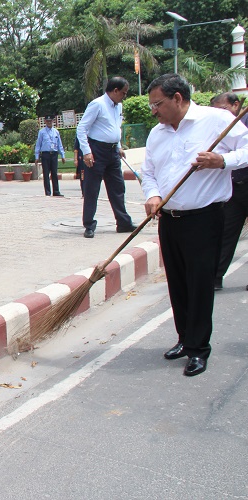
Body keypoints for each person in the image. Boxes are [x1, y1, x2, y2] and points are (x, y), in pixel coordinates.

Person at [140, 74, 248, 377]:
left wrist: (222, 160)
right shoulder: (156, 134)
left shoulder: (216, 120)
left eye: (158, 104)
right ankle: (184, 339)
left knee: (200, 283)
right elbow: (148, 172)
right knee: (177, 282)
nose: (154, 111)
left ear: (178, 98)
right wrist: (154, 195)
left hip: (204, 217)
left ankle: (199, 349)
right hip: (169, 219)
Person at [76, 77, 136, 238]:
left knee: (117, 188)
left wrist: (118, 146)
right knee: (92, 189)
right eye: (123, 93)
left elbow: (115, 127)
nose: (124, 96)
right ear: (115, 90)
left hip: (112, 152)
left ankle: (123, 222)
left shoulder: (118, 106)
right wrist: (87, 152)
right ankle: (89, 225)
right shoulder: (98, 104)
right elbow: (82, 128)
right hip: (97, 151)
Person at [210, 92, 248, 291]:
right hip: (235, 186)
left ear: (235, 105)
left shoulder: (242, 125)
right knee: (226, 233)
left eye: (223, 109)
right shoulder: (221, 126)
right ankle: (215, 277)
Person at [34, 115, 66, 196]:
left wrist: (62, 155)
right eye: (47, 121)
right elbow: (38, 144)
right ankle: (48, 192)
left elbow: (59, 144)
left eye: (50, 121)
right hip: (45, 154)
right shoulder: (42, 132)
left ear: (53, 121)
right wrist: (37, 157)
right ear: (45, 122)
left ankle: (56, 191)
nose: (49, 122)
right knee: (46, 174)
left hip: (54, 154)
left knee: (54, 173)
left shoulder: (56, 132)